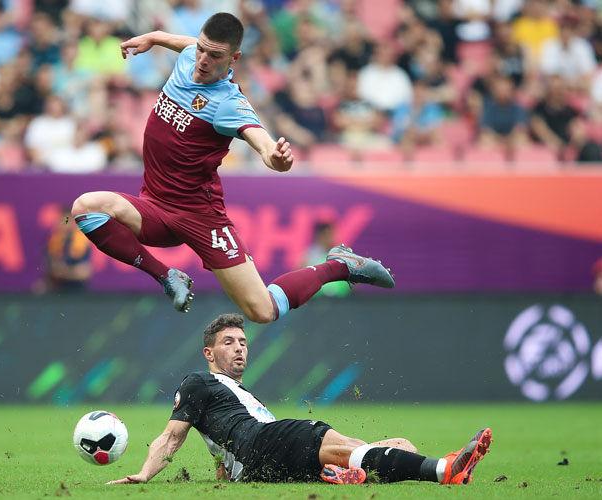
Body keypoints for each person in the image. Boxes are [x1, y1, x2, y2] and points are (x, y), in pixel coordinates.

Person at [71, 13, 394, 324]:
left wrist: (277, 160)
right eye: (201, 49)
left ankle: (339, 265)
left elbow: (263, 144)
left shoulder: (229, 103)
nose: (202, 60)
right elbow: (183, 43)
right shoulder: (188, 56)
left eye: (214, 55)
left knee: (262, 311)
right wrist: (153, 38)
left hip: (199, 216)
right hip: (154, 206)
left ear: (233, 59)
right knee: (86, 208)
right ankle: (167, 275)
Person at [107, 313, 493, 485]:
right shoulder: (199, 382)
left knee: (398, 446)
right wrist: (144, 473)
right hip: (264, 442)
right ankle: (445, 471)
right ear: (209, 354)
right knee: (339, 443)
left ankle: (342, 476)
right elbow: (172, 437)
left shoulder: (238, 396)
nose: (240, 349)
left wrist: (224, 479)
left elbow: (218, 446)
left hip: (262, 463)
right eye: (228, 343)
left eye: (243, 342)